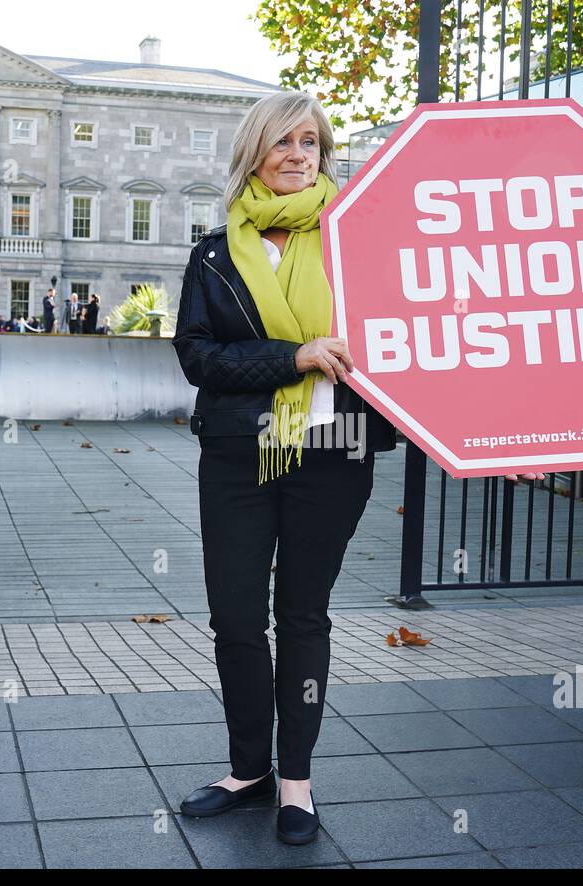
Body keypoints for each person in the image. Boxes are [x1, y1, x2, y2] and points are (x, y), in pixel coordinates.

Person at [171, 90, 400, 846]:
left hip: (334, 454)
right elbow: (198, 357)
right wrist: (293, 357)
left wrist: (497, 437)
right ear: (254, 153)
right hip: (240, 453)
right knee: (236, 616)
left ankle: (295, 780)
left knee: (302, 615)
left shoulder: (359, 240)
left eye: (312, 142)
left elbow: (418, 344)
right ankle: (249, 771)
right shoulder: (214, 254)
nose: (299, 154)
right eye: (284, 141)